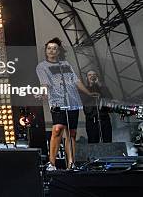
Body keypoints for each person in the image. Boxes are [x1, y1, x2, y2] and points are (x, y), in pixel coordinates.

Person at [36, 38, 98, 171]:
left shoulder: (66, 64)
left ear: (58, 51)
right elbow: (44, 83)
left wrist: (87, 93)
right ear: (46, 51)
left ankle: (71, 163)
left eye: (54, 48)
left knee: (72, 133)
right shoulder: (42, 66)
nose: (52, 50)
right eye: (49, 48)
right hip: (57, 102)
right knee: (57, 129)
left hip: (72, 101)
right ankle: (51, 163)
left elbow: (76, 81)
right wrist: (42, 93)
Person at [82, 70, 113, 143]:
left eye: (94, 74)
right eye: (90, 75)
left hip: (104, 118)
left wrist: (99, 84)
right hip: (91, 119)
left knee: (107, 141)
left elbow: (109, 98)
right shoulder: (84, 89)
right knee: (93, 142)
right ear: (86, 78)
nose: (92, 76)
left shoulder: (102, 88)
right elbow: (83, 101)